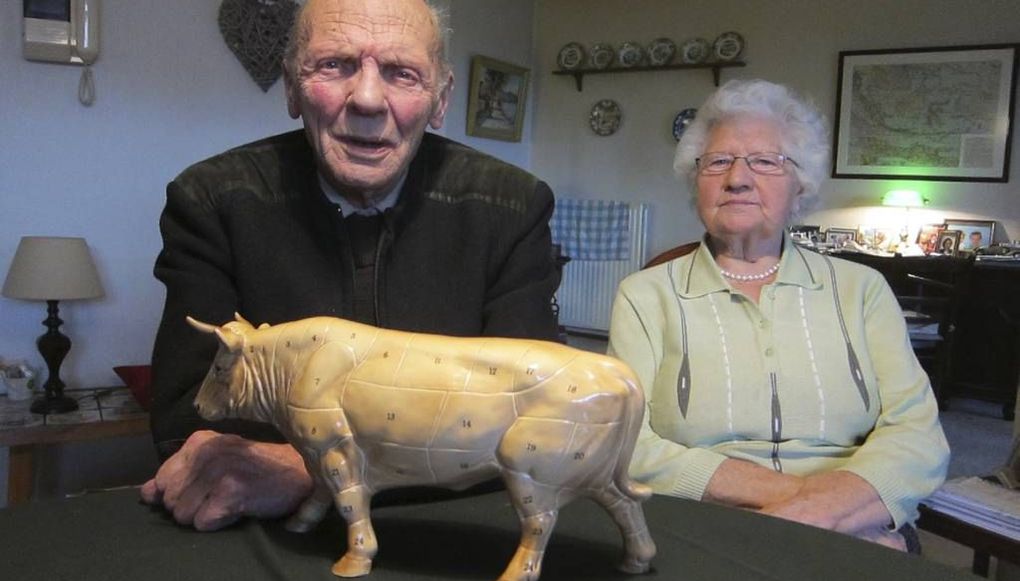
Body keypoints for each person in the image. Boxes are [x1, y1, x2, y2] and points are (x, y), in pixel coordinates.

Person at [141, 0, 561, 531]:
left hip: (452, 537)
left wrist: (308, 466)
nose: (366, 99)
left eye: (401, 72)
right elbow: (187, 420)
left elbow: (534, 418)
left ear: (440, 99)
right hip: (264, 538)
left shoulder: (513, 209)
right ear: (293, 88)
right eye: (335, 65)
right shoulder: (211, 203)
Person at [608, 79, 949, 551]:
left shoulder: (861, 289)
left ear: (800, 184)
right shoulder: (646, 296)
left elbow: (917, 435)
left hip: (858, 523)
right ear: (696, 180)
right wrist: (809, 508)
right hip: (707, 523)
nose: (737, 178)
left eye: (765, 161)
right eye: (718, 161)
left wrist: (838, 508)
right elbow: (628, 443)